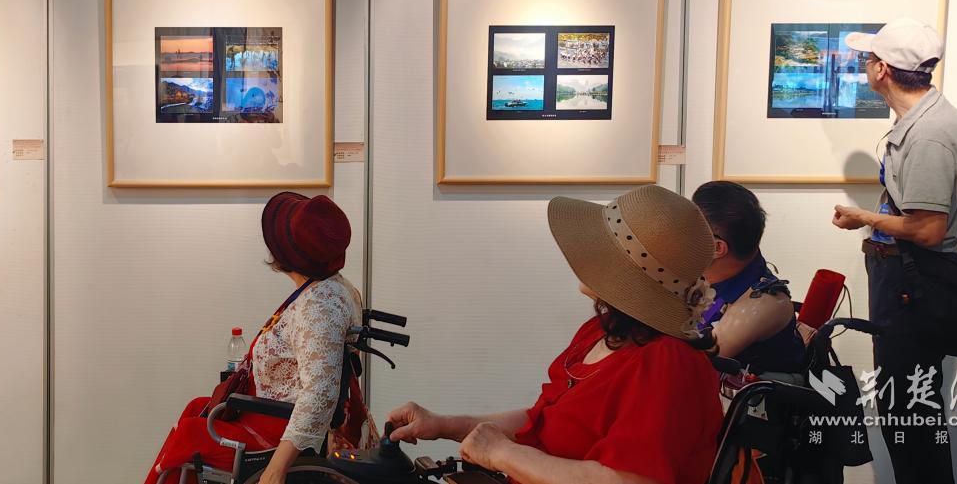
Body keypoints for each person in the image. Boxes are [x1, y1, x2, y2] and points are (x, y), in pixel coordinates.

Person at [388, 185, 723, 484]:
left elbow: (629, 479)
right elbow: (542, 420)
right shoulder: (602, 331)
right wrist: (444, 424)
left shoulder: (668, 364)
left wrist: (502, 453)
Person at [831, 18, 957, 484]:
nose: (865, 66)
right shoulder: (925, 120)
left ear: (882, 70)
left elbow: (929, 229)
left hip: (913, 287)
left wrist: (864, 217)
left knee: (909, 417)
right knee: (909, 413)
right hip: (909, 284)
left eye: (869, 59)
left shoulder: (930, 134)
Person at [145, 192, 367, 484]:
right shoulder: (331, 287)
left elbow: (319, 394)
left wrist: (276, 469)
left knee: (190, 434)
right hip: (276, 408)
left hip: (278, 428)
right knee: (196, 407)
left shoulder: (319, 307)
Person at [693, 181, 805, 374]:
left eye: (688, 227)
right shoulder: (699, 273)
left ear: (717, 247)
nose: (678, 233)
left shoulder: (763, 303)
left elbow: (692, 366)